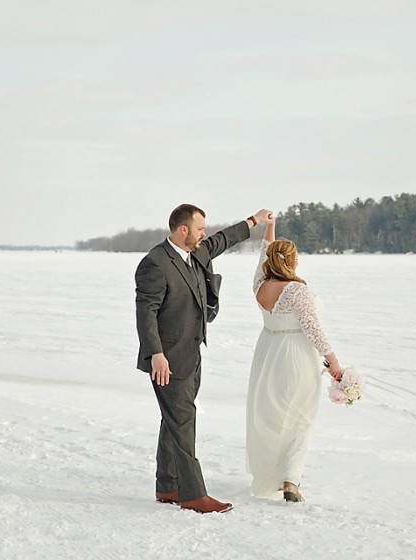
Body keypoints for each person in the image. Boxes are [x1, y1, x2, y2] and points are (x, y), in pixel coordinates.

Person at [135, 203, 273, 514]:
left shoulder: (195, 252)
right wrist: (156, 353)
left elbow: (221, 240)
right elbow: (146, 313)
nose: (204, 234)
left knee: (174, 420)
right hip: (167, 359)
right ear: (182, 230)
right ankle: (193, 494)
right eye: (199, 229)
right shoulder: (155, 263)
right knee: (183, 422)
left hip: (191, 353)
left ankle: (167, 485)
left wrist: (254, 221)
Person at [246, 214, 343, 503]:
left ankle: (277, 476)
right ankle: (291, 479)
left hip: (268, 354)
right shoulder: (297, 291)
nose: (298, 263)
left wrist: (270, 228)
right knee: (301, 419)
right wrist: (334, 363)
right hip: (296, 356)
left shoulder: (260, 285)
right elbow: (313, 329)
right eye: (296, 258)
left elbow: (264, 251)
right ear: (289, 262)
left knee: (274, 417)